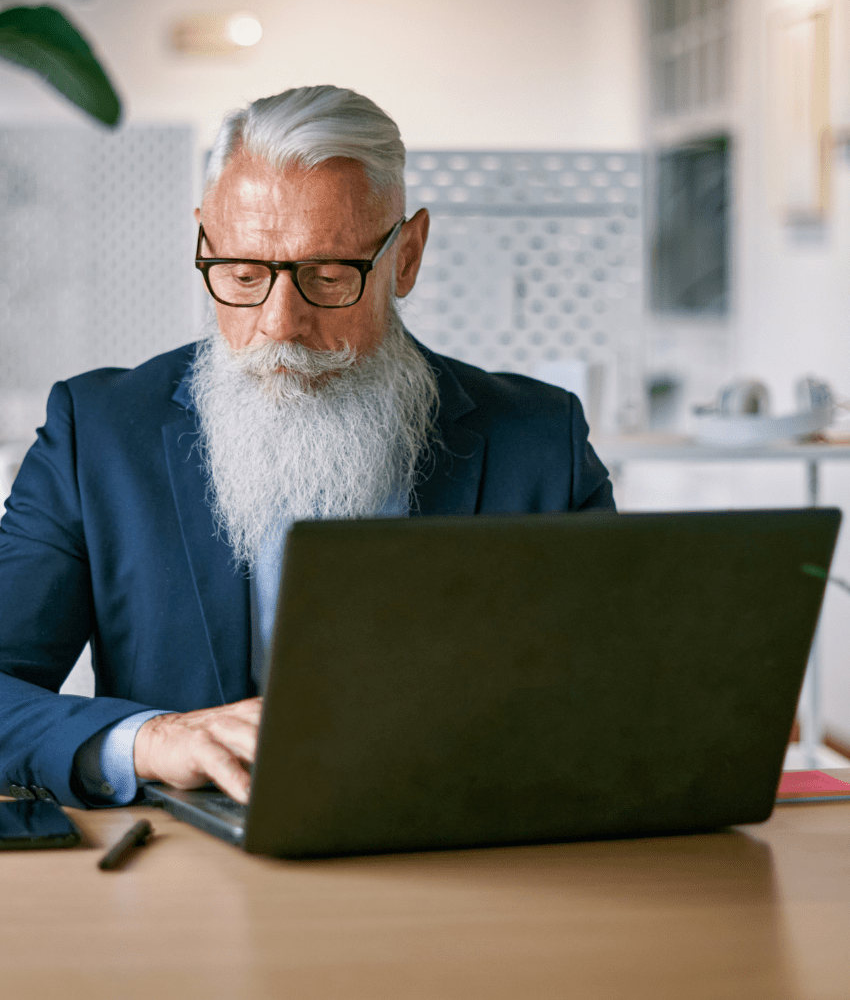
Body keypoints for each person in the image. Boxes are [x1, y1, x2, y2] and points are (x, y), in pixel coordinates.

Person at [0, 86, 614, 809]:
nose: (280, 323)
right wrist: (151, 739)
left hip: (472, 854)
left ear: (407, 256)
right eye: (243, 275)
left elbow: (622, 693)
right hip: (190, 880)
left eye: (328, 276)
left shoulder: (543, 441)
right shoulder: (96, 433)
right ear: (204, 243)